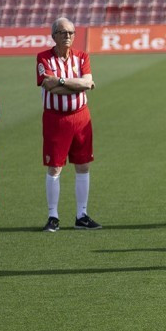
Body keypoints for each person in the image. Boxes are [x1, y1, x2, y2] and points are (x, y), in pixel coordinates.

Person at [37, 17, 100, 232]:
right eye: (63, 32)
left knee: (83, 165)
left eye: (71, 33)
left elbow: (87, 83)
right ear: (53, 35)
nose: (67, 36)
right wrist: (77, 85)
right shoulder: (44, 57)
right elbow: (48, 86)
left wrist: (61, 82)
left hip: (81, 117)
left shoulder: (82, 57)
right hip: (55, 118)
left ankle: (81, 215)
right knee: (55, 167)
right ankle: (53, 216)